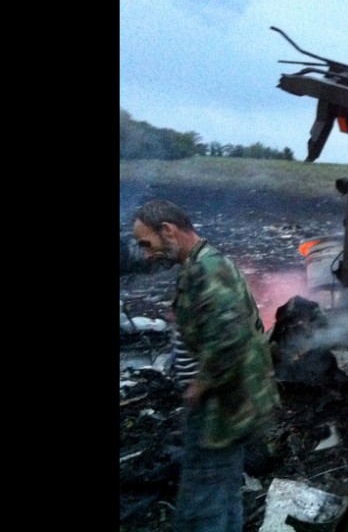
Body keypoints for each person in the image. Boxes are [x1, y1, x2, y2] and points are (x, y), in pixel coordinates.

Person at [132, 199, 280, 532]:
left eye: (147, 243)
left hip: (220, 409)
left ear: (168, 231)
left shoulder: (207, 269)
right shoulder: (201, 265)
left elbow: (229, 339)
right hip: (224, 405)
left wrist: (197, 389)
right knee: (221, 493)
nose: (145, 254)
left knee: (203, 504)